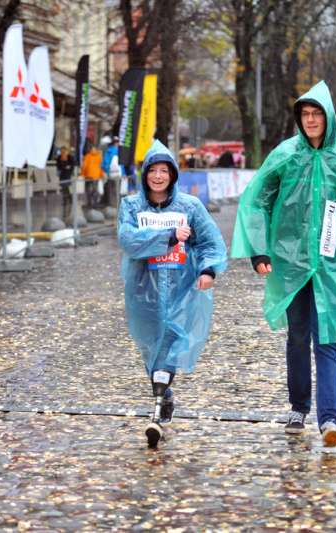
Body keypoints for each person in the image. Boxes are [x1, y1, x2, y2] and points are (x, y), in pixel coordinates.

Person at [231, 80, 336, 447]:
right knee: (297, 337)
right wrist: (259, 250)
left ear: (328, 118)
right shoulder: (285, 155)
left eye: (316, 114)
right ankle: (298, 408)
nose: (310, 120)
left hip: (331, 266)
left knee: (327, 339)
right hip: (290, 264)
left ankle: (330, 418)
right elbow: (257, 200)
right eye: (304, 114)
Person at [117, 140, 228, 447]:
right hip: (143, 292)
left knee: (168, 346)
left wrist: (207, 270)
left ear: (173, 174)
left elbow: (210, 242)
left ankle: (155, 414)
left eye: (164, 171)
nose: (158, 176)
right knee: (150, 349)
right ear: (144, 175)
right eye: (152, 170)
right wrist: (168, 235)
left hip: (182, 291)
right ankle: (165, 396)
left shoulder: (190, 207)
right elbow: (129, 240)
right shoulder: (131, 206)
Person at [81, 141, 103, 210]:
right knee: (95, 189)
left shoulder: (87, 156)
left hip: (89, 176)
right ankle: (96, 204)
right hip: (96, 176)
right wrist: (101, 175)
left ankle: (89, 203)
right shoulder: (99, 157)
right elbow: (101, 166)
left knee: (88, 189)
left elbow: (84, 166)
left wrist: (83, 174)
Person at [56, 146, 75, 219]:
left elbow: (73, 163)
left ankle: (69, 199)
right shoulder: (59, 157)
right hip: (62, 174)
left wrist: (69, 167)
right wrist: (59, 169)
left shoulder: (69, 156)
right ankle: (65, 200)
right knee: (63, 188)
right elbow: (58, 164)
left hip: (67, 174)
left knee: (66, 187)